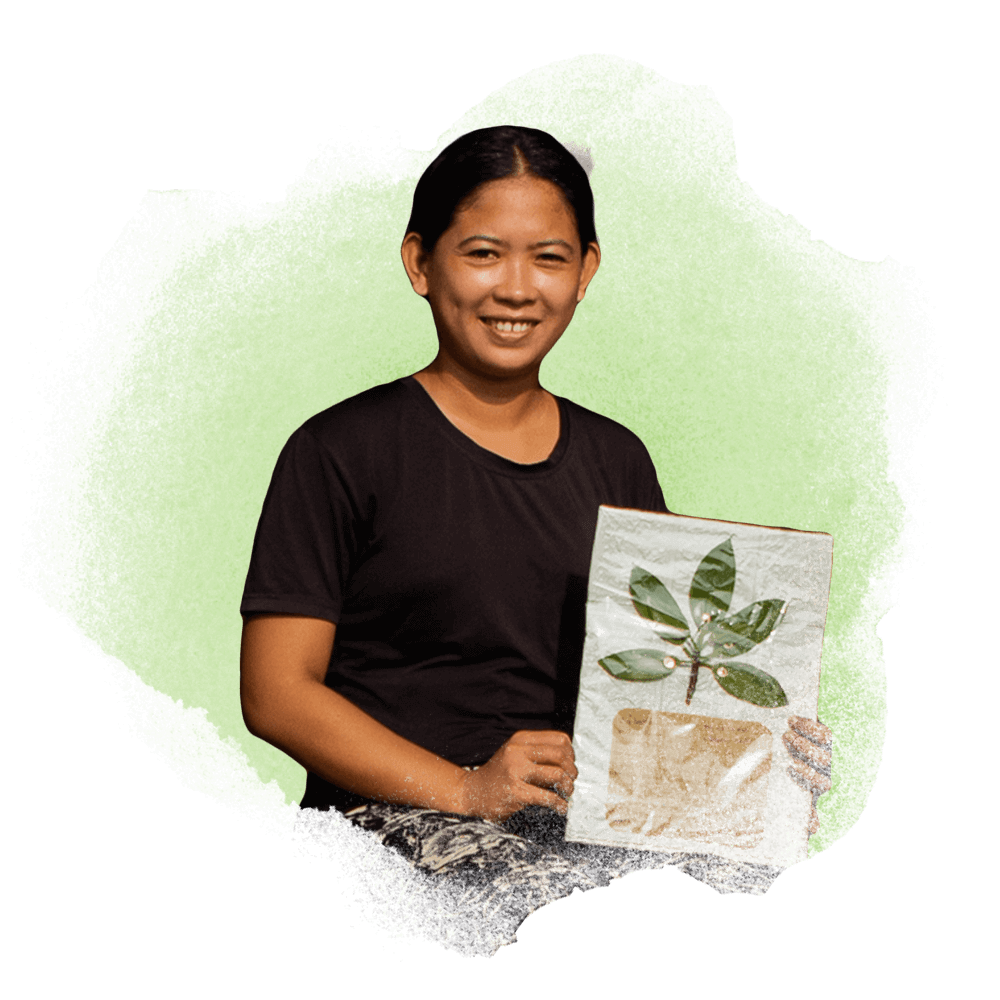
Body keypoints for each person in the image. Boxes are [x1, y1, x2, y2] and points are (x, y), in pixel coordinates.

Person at [238, 126, 833, 957]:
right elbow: (275, 694)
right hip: (391, 823)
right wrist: (465, 788)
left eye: (548, 259)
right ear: (420, 262)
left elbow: (659, 686)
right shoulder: (340, 450)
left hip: (588, 819)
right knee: (555, 917)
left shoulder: (617, 457)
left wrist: (759, 775)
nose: (516, 289)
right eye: (483, 253)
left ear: (587, 270)